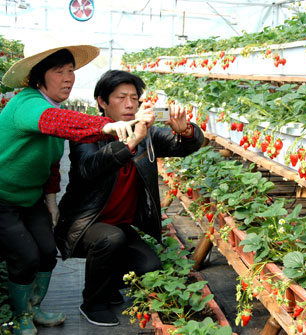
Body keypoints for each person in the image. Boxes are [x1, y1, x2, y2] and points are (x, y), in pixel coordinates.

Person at [0, 40, 150, 335]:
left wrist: (51, 203)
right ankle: (18, 316)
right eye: (59, 71)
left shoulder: (54, 106)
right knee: (26, 256)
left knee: (46, 251)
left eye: (71, 70)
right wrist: (104, 126)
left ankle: (34, 308)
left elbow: (52, 165)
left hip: (30, 199)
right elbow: (57, 122)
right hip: (2, 198)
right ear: (38, 77)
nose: (68, 78)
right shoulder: (28, 104)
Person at [55, 70, 204, 327]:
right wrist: (131, 142)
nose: (129, 104)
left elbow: (185, 146)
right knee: (110, 239)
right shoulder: (88, 134)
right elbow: (87, 169)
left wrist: (186, 131)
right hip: (83, 224)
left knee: (149, 265)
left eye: (134, 98)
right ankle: (92, 302)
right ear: (102, 102)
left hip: (120, 224)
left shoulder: (148, 134)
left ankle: (108, 284)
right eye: (121, 97)